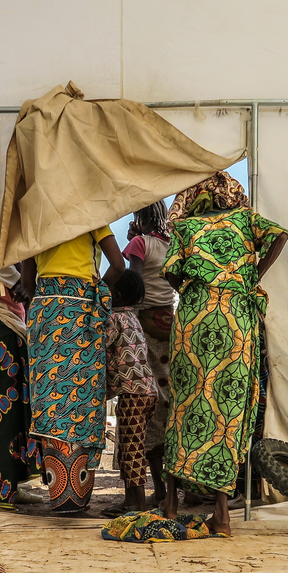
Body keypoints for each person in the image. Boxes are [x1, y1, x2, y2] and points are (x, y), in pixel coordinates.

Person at [161, 172, 288, 535]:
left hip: (195, 316)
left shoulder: (185, 227)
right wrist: (251, 277)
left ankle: (170, 502)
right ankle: (221, 514)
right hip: (235, 318)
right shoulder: (246, 219)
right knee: (229, 409)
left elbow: (169, 272)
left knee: (184, 403)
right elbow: (280, 234)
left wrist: (193, 286)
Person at [21, 226, 125, 514]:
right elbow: (118, 265)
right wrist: (96, 289)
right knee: (82, 398)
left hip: (45, 310)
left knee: (50, 401)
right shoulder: (91, 216)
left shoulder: (39, 217)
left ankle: (59, 495)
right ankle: (75, 498)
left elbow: (27, 283)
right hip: (80, 311)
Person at [123, 202, 178, 507]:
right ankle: (170, 488)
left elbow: (133, 286)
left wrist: (133, 241)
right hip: (169, 322)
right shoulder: (170, 245)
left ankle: (157, 489)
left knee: (146, 403)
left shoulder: (139, 244)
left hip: (143, 324)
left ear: (140, 218)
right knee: (166, 400)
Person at [0, 266, 42, 509]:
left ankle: (10, 486)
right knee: (0, 413)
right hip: (0, 324)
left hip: (8, 322)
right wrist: (18, 283)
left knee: (10, 414)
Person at [102, 269, 159, 516]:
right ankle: (129, 500)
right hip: (147, 392)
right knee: (128, 447)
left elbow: (101, 344)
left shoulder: (114, 319)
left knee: (132, 450)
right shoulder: (134, 318)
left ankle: (138, 504)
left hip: (133, 394)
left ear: (118, 294)